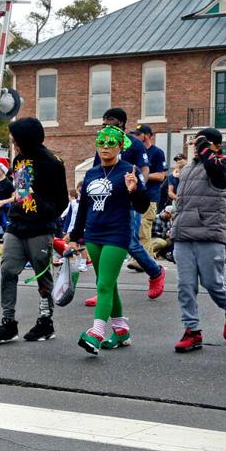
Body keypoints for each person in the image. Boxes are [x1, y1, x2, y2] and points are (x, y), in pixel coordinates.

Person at [68, 126, 150, 355]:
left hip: (117, 234)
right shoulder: (92, 173)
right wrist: (75, 237)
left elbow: (142, 206)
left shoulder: (129, 170)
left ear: (120, 146)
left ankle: (96, 332)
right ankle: (122, 331)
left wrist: (134, 190)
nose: (105, 147)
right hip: (94, 234)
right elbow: (83, 207)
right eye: (102, 143)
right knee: (109, 284)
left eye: (111, 143)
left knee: (103, 284)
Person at [0, 117, 69, 344]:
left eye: (14, 135)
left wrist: (44, 214)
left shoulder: (53, 163)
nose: (12, 140)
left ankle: (46, 321)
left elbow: (62, 200)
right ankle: (8, 322)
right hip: (16, 225)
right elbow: (21, 190)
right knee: (8, 271)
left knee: (42, 275)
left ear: (26, 136)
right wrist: (17, 203)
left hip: (40, 228)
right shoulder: (19, 159)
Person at [170, 128, 226, 353]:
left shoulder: (224, 163)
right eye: (196, 142)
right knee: (185, 285)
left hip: (210, 231)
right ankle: (192, 330)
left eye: (202, 142)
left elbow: (218, 178)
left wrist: (204, 149)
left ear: (215, 146)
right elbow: (182, 200)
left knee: (212, 283)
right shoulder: (187, 169)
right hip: (183, 233)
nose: (196, 146)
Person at [85, 109, 165, 306]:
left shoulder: (134, 144)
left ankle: (155, 272)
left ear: (121, 123)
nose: (105, 127)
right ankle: (104, 288)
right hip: (105, 200)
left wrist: (136, 190)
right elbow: (97, 170)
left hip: (128, 200)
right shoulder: (102, 142)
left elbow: (145, 170)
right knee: (101, 243)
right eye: (103, 124)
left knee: (129, 241)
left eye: (109, 123)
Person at [131, 124, 167, 261]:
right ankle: (146, 259)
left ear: (146, 135)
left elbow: (161, 176)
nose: (135, 137)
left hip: (150, 197)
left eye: (138, 134)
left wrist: (141, 175)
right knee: (137, 229)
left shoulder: (157, 152)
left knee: (144, 229)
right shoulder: (136, 152)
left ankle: (141, 261)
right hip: (136, 197)